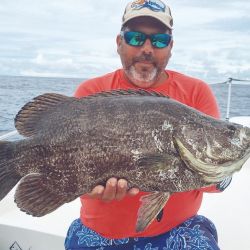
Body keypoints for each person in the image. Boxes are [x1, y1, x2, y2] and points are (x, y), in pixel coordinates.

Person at [65, 0, 231, 249]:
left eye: (159, 41)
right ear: (119, 42)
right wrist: (92, 189)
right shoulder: (91, 92)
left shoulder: (197, 92)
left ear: (170, 47)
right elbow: (70, 173)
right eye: (134, 38)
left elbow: (216, 180)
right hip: (99, 233)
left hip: (180, 229)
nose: (147, 48)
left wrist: (222, 172)